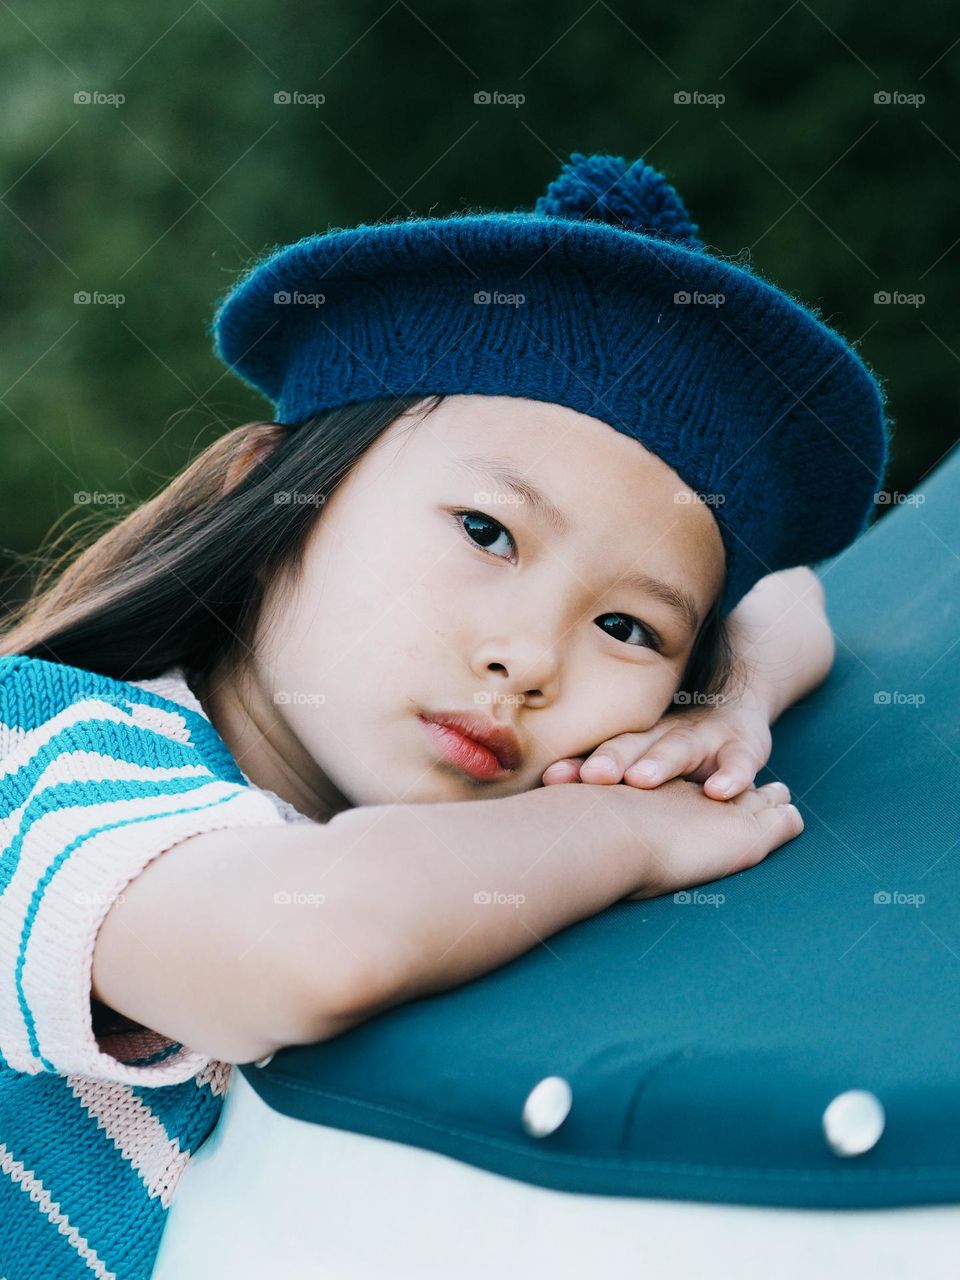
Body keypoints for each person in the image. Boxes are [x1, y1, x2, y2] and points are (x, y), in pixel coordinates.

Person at [0, 151, 889, 1279]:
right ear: (272, 492)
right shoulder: (48, 745)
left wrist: (731, 706)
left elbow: (797, 601)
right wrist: (629, 829)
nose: (525, 659)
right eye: (486, 532)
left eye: (628, 629)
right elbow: (310, 942)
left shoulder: (469, 852)